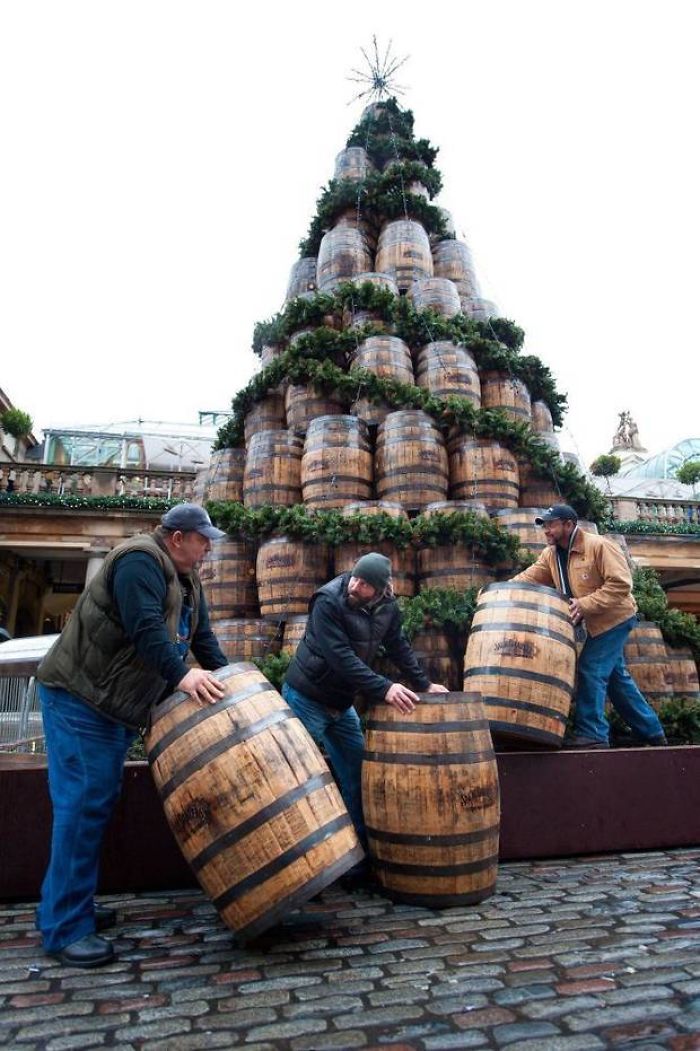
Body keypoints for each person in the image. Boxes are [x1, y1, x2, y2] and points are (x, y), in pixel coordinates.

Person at [36, 503, 229, 968]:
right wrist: (183, 677)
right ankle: (64, 927)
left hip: (113, 705)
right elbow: (146, 629)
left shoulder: (187, 579)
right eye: (203, 540)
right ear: (178, 537)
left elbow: (203, 640)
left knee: (94, 807)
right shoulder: (139, 560)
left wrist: (233, 683)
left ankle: (69, 905)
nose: (208, 548)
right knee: (82, 809)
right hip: (81, 698)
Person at [282, 552, 448, 862]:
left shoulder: (387, 607)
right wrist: (385, 688)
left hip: (341, 703)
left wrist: (423, 684)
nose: (355, 587)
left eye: (364, 584)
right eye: (355, 578)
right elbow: (341, 658)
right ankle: (297, 863)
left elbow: (398, 645)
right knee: (295, 778)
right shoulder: (328, 601)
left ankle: (354, 858)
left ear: (380, 589)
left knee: (357, 775)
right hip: (307, 698)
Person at [512, 504, 667, 749]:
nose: (546, 530)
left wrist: (584, 604)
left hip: (615, 618)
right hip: (596, 623)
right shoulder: (551, 555)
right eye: (544, 525)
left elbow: (621, 584)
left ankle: (592, 733)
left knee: (591, 667)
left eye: (551, 524)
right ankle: (652, 732)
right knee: (616, 679)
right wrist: (499, 590)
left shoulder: (599, 546)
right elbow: (529, 577)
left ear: (568, 524)